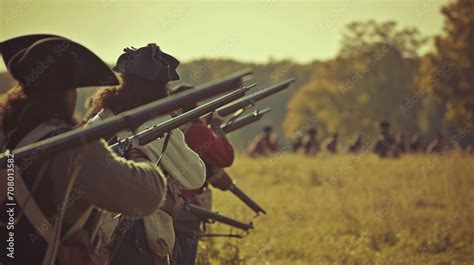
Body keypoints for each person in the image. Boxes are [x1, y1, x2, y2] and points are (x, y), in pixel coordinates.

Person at [0, 35, 166, 265]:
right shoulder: (75, 147)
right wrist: (138, 153)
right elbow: (148, 195)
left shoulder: (8, 136)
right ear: (68, 94)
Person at [85, 44, 206, 264]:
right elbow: (195, 177)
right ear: (160, 87)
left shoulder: (101, 118)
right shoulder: (159, 124)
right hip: (136, 234)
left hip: (94, 232)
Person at [170, 85, 236, 265]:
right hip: (185, 207)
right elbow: (226, 157)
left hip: (166, 204)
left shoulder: (173, 126)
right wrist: (216, 127)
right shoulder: (196, 130)